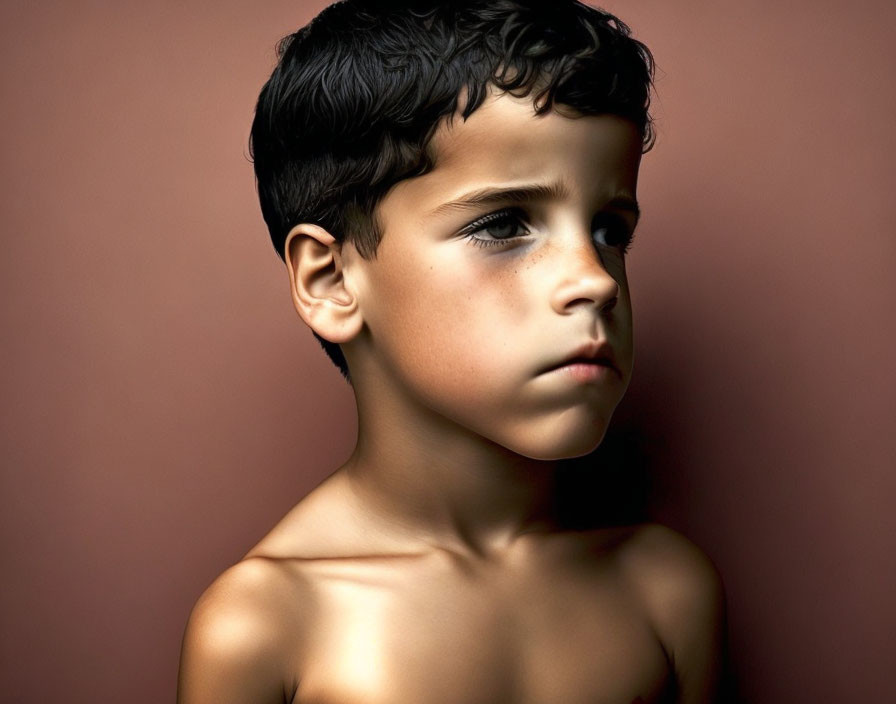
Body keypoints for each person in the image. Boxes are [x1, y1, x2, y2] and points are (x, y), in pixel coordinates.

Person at [177, 1, 727, 702]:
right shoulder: (265, 626)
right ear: (332, 278)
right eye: (504, 224)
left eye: (610, 230)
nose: (593, 279)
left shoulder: (666, 592)